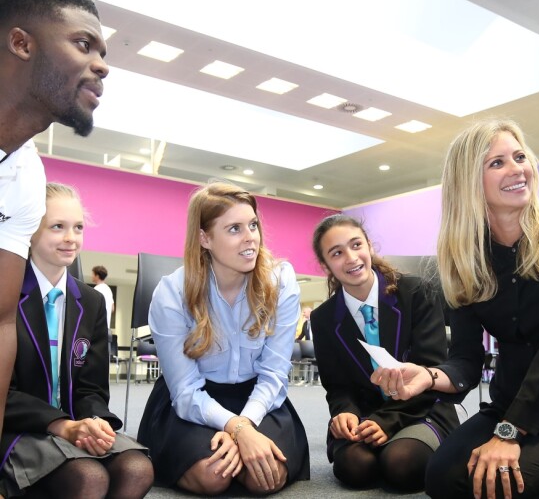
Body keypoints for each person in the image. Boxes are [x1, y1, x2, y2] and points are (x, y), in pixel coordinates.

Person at [371, 119, 539, 499]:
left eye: (520, 157)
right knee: (442, 479)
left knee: (500, 484)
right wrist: (428, 376)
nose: (518, 169)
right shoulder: (463, 260)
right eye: (497, 163)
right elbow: (466, 358)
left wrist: (510, 432)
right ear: (469, 182)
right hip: (509, 400)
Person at [138, 182, 309, 495]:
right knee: (214, 475)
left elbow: (274, 374)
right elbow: (186, 390)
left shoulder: (281, 282)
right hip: (194, 399)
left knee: (264, 477)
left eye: (253, 225)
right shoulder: (172, 293)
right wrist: (236, 429)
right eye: (234, 229)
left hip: (260, 399)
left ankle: (242, 453)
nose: (250, 238)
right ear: (205, 238)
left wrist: (244, 425)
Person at [0, 0, 108, 444]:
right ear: (21, 43)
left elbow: (1, 320)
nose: (101, 67)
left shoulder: (26, 175)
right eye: (84, 44)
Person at [0, 183, 153, 498]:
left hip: (72, 423)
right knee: (89, 478)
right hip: (19, 429)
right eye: (58, 227)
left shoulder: (90, 301)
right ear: (30, 231)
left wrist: (94, 420)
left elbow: (92, 388)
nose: (71, 238)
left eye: (78, 227)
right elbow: (5, 393)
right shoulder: (7, 294)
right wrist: (60, 425)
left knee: (137, 468)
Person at [310, 214, 459, 493]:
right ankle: (379, 442)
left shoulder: (416, 292)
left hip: (421, 409)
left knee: (401, 466)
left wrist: (386, 421)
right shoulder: (323, 318)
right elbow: (337, 386)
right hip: (366, 414)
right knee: (355, 468)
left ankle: (398, 442)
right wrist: (345, 414)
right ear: (325, 265)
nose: (351, 258)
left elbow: (430, 368)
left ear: (369, 246)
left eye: (356, 245)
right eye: (337, 253)